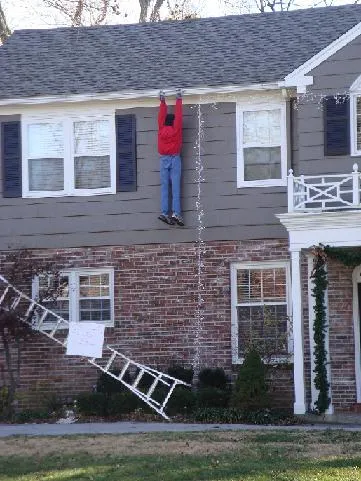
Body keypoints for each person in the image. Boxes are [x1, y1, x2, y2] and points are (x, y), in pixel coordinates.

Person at [157, 89, 184, 226]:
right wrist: (179, 99)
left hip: (163, 160)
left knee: (164, 187)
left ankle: (164, 213)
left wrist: (162, 101)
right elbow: (178, 117)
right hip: (174, 159)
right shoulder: (176, 129)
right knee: (175, 187)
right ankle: (176, 214)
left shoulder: (161, 129)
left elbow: (161, 117)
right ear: (173, 123)